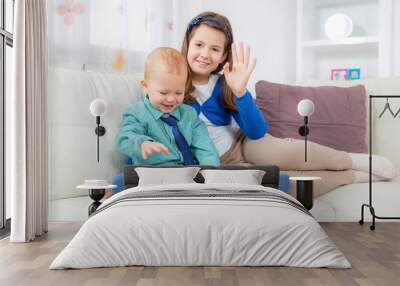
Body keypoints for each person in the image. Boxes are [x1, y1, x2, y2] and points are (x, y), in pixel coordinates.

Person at [180, 11, 398, 197]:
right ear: (187, 44)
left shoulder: (224, 83)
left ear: (224, 55)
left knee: (282, 152)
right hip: (220, 163)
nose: (205, 54)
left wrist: (240, 91)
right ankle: (351, 177)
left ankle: (349, 160)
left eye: (215, 49)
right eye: (199, 45)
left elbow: (256, 131)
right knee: (282, 186)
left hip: (244, 143)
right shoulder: (173, 82)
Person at [110, 47, 220, 197]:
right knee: (119, 180)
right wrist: (142, 143)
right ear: (145, 87)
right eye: (163, 92)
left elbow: (205, 147)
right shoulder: (136, 113)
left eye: (179, 93)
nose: (171, 99)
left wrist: (212, 173)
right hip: (151, 174)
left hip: (185, 174)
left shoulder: (189, 114)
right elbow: (125, 137)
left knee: (214, 177)